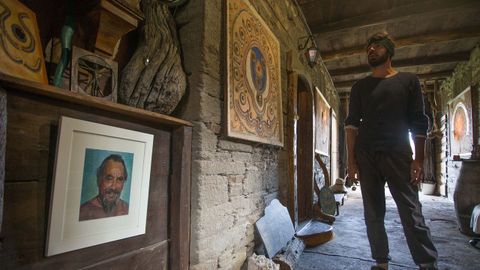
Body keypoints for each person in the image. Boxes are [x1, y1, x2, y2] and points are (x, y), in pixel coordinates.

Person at [344, 32, 438, 270]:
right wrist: (351, 162)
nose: (371, 50)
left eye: (376, 46)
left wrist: (418, 159)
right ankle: (381, 262)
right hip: (366, 155)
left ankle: (427, 263)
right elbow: (351, 125)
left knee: (410, 211)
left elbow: (419, 121)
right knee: (373, 213)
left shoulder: (408, 81)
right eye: (368, 47)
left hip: (398, 154)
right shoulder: (360, 87)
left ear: (388, 51)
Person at [79, 154, 129, 221]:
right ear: (99, 180)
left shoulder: (127, 209)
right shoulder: (82, 213)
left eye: (119, 179)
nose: (113, 187)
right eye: (109, 179)